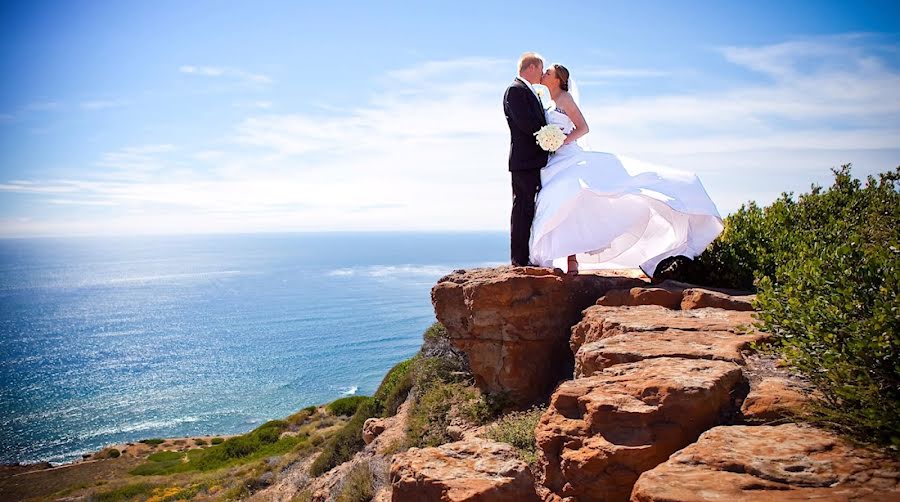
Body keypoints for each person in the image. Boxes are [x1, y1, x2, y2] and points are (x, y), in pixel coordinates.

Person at [529, 64, 724, 276]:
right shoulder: (548, 101)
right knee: (562, 204)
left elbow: (583, 127)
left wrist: (562, 141)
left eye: (548, 72)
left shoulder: (565, 98)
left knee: (571, 198)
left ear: (557, 79)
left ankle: (572, 260)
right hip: (554, 161)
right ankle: (566, 257)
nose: (544, 74)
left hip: (569, 156)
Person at [503, 52, 549, 266]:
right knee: (522, 209)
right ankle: (519, 260)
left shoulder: (528, 91)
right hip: (524, 162)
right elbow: (526, 124)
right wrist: (550, 136)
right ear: (531, 67)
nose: (542, 75)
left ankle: (524, 257)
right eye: (541, 70)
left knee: (528, 209)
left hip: (532, 161)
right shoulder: (515, 90)